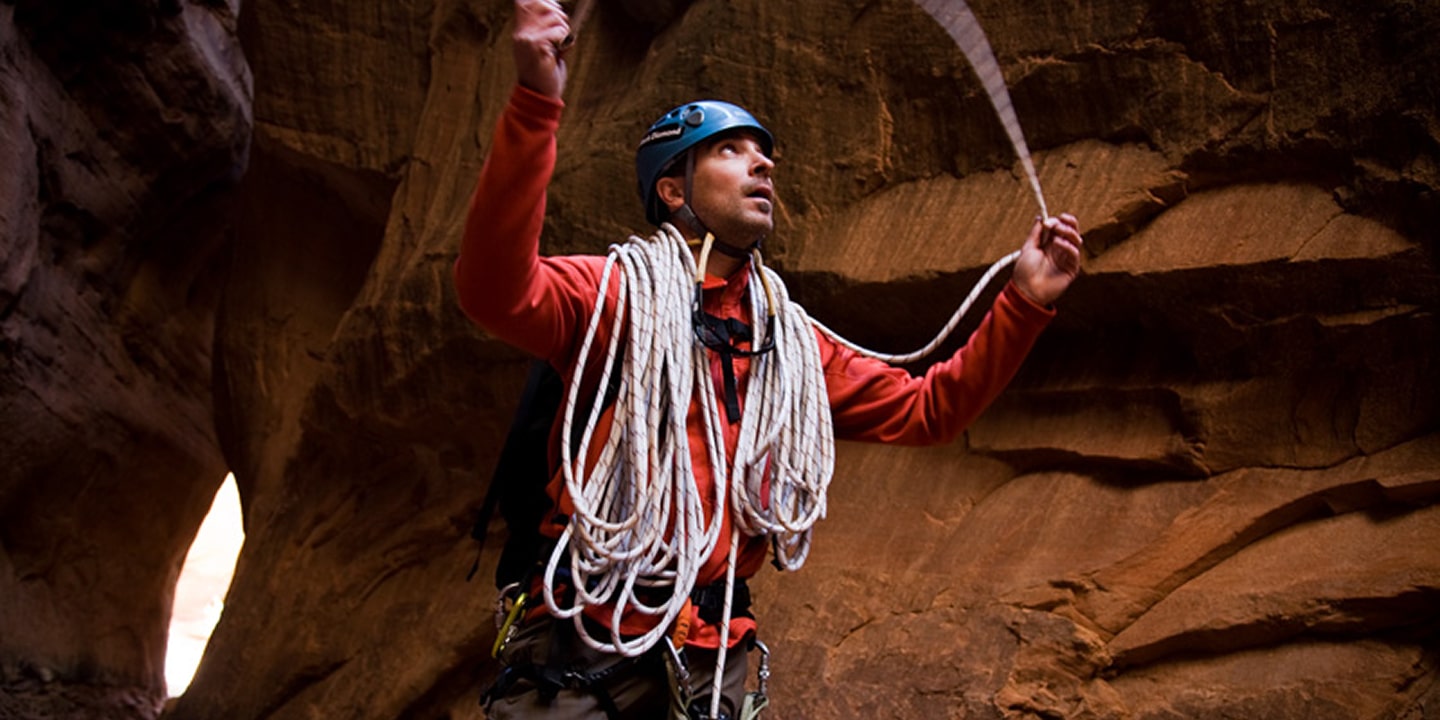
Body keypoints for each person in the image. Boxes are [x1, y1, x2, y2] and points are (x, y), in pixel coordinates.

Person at [453, 1, 1084, 718]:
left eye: (763, 151)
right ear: (672, 189)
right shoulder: (615, 297)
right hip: (581, 641)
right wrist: (537, 102)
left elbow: (928, 409)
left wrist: (1025, 301)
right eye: (730, 149)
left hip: (713, 654)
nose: (763, 162)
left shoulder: (787, 340)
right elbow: (492, 289)